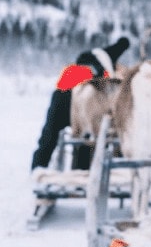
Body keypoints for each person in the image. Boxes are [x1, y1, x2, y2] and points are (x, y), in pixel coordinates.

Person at [31, 37, 131, 174]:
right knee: (96, 136)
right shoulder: (107, 65)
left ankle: (38, 169)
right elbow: (121, 45)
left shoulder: (72, 73)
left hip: (63, 96)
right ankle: (99, 173)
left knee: (49, 138)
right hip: (83, 101)